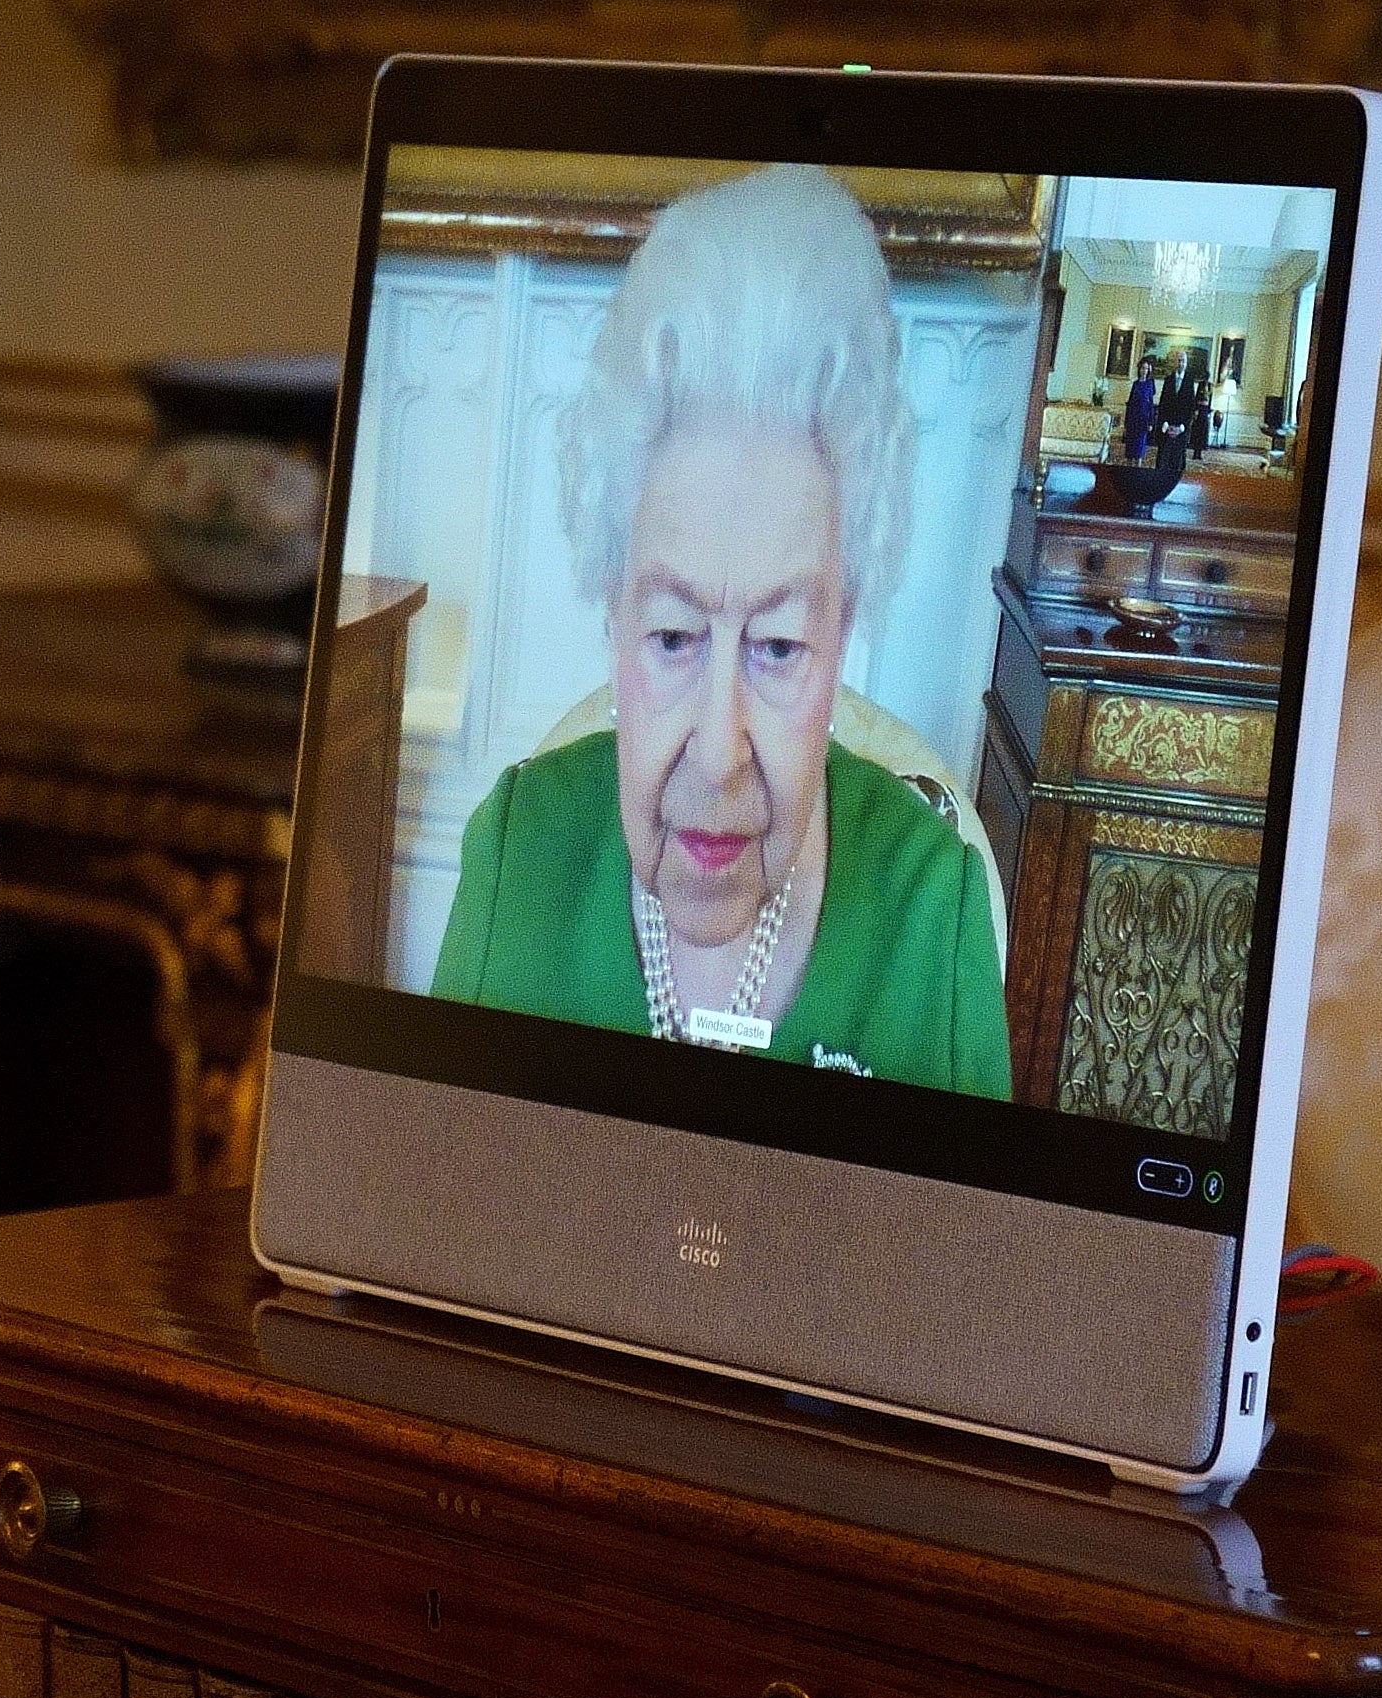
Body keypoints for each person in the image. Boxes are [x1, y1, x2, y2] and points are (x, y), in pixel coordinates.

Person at [428, 164, 1014, 1098]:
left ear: (841, 630)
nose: (719, 752)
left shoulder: (930, 907)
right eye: (672, 636)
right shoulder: (516, 854)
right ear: (613, 614)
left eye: (778, 645)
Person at [1121, 354, 1160, 461]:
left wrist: (1151, 422)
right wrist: (1126, 421)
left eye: (1147, 368)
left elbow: (1151, 405)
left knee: (1139, 449)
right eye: (1143, 368)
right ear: (1139, 369)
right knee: (1130, 448)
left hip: (1143, 421)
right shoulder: (1135, 384)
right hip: (1133, 419)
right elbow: (1130, 403)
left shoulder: (1150, 384)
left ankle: (1137, 467)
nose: (1144, 370)